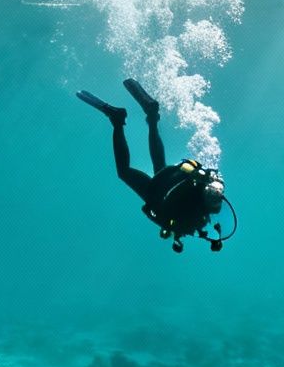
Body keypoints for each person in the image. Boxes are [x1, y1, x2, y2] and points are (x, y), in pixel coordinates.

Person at [76, 79, 234, 252]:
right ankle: (117, 120)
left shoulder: (200, 201)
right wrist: (168, 227)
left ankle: (152, 115)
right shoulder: (186, 226)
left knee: (160, 165)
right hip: (157, 192)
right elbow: (151, 212)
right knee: (124, 172)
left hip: (174, 177)